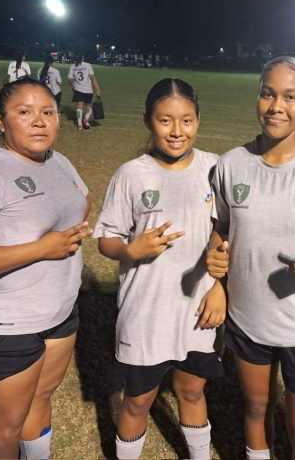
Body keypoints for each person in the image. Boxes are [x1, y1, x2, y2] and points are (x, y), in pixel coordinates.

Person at [207, 53, 295, 459]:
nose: (276, 106)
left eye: (290, 97)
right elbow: (220, 227)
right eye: (267, 94)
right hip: (248, 318)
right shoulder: (231, 164)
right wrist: (214, 254)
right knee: (255, 409)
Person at [0, 78, 93, 460]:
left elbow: (82, 201)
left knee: (41, 398)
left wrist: (66, 237)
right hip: (8, 324)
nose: (39, 121)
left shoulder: (59, 162)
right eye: (24, 112)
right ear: (1, 121)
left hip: (60, 312)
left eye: (47, 112)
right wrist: (42, 248)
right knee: (6, 429)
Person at [94, 78, 225, 460]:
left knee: (191, 391)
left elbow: (226, 231)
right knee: (138, 400)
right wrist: (130, 249)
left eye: (186, 120)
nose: (177, 130)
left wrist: (220, 288)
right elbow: (107, 239)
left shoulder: (215, 168)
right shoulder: (131, 174)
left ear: (198, 121)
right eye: (165, 120)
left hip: (199, 309)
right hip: (146, 312)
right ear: (148, 121)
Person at [68, 52, 101, 130]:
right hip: (88, 90)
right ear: (83, 57)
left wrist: (72, 86)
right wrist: (98, 89)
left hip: (77, 89)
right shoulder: (87, 65)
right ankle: (85, 120)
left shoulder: (73, 66)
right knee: (89, 106)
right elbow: (92, 78)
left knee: (79, 107)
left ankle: (79, 125)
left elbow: (69, 78)